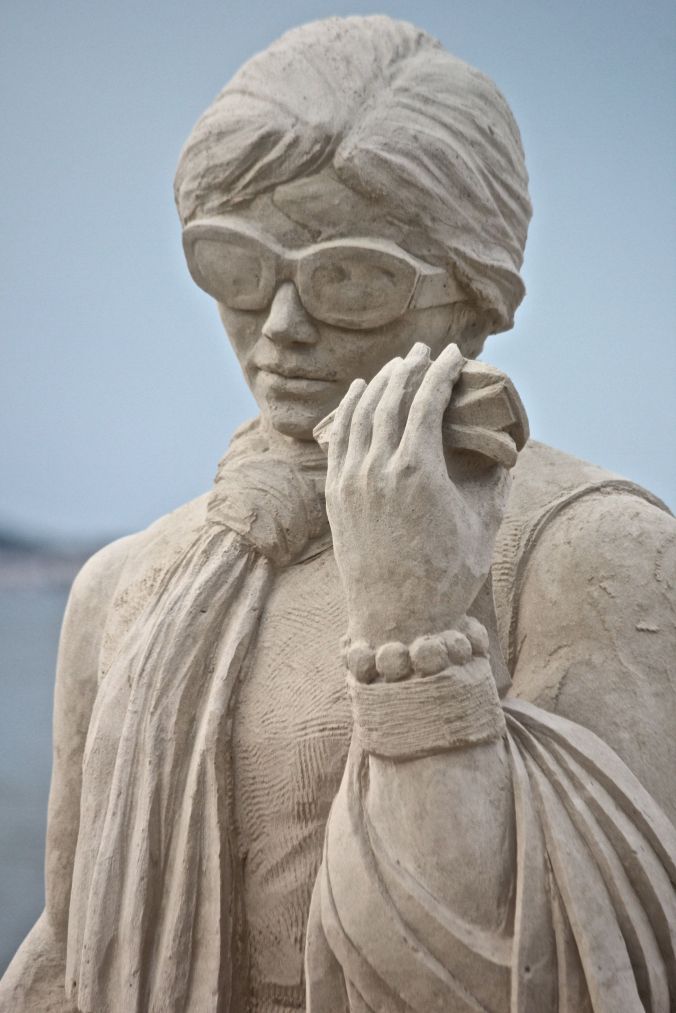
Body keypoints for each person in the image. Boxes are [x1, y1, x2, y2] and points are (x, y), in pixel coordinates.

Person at [1, 15, 674, 1013]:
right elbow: (65, 949)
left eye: (348, 277)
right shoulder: (128, 586)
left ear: (474, 295)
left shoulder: (594, 552)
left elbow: (575, 970)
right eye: (235, 265)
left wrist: (418, 630)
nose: (278, 325)